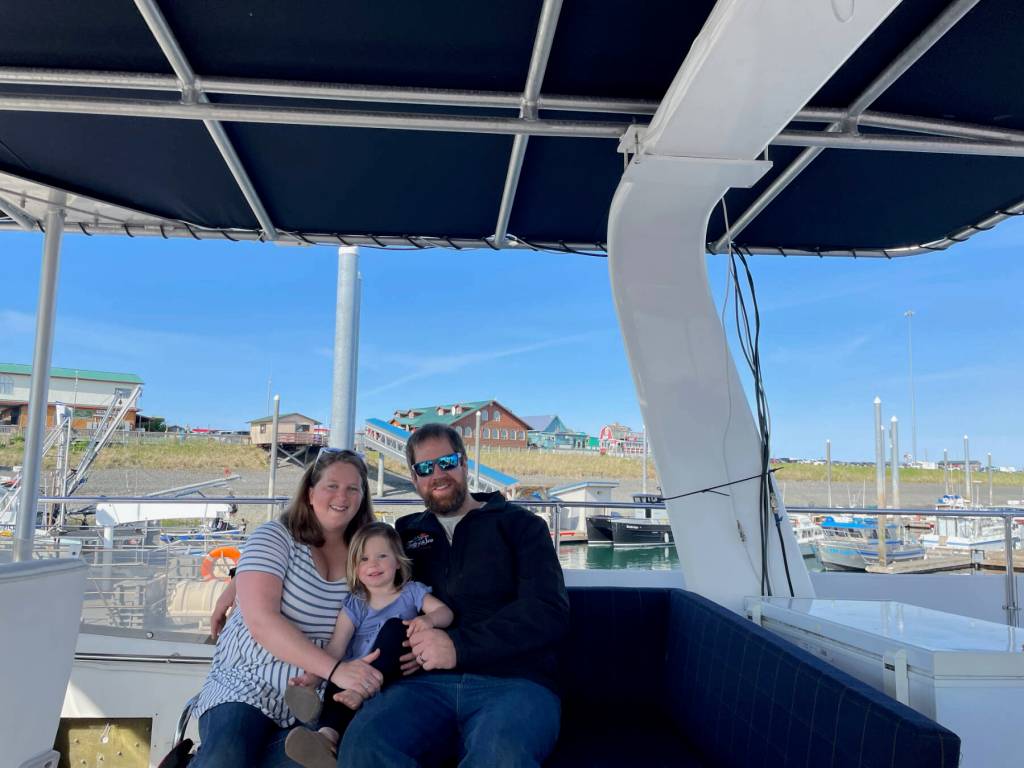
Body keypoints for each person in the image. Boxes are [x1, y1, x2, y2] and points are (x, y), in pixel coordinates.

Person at [338, 423, 570, 767]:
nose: (438, 474)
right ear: (415, 479)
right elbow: (349, 556)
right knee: (362, 748)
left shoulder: (521, 526)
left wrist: (457, 646)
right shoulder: (405, 534)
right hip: (423, 686)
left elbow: (547, 612)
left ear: (463, 463)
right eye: (425, 468)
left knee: (499, 757)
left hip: (515, 682)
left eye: (446, 462)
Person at [189, 448, 380, 768]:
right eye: (331, 486)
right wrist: (337, 671)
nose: (342, 497)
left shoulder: (367, 555)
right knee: (227, 757)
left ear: (363, 497)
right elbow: (262, 621)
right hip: (247, 680)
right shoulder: (277, 537)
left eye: (353, 488)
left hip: (312, 696)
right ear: (309, 493)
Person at [282, 522, 454, 768]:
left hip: (394, 674)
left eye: (382, 556)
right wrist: (313, 678)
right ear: (355, 567)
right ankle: (325, 739)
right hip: (355, 674)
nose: (373, 564)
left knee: (396, 627)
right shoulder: (356, 603)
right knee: (339, 677)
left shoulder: (411, 593)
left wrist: (427, 619)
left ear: (397, 561)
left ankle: (356, 696)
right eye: (364, 559)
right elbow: (336, 647)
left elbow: (445, 613)